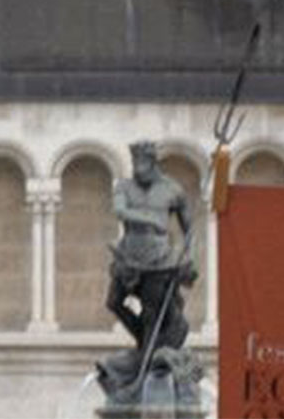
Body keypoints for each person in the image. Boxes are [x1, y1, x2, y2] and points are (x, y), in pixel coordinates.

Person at [98, 141, 197, 403]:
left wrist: (189, 255)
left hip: (159, 260)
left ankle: (146, 364)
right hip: (129, 256)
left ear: (153, 163)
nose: (137, 168)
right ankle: (145, 345)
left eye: (141, 163)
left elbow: (189, 228)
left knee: (153, 315)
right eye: (134, 163)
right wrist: (150, 218)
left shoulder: (172, 190)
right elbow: (119, 210)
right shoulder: (124, 187)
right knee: (114, 302)